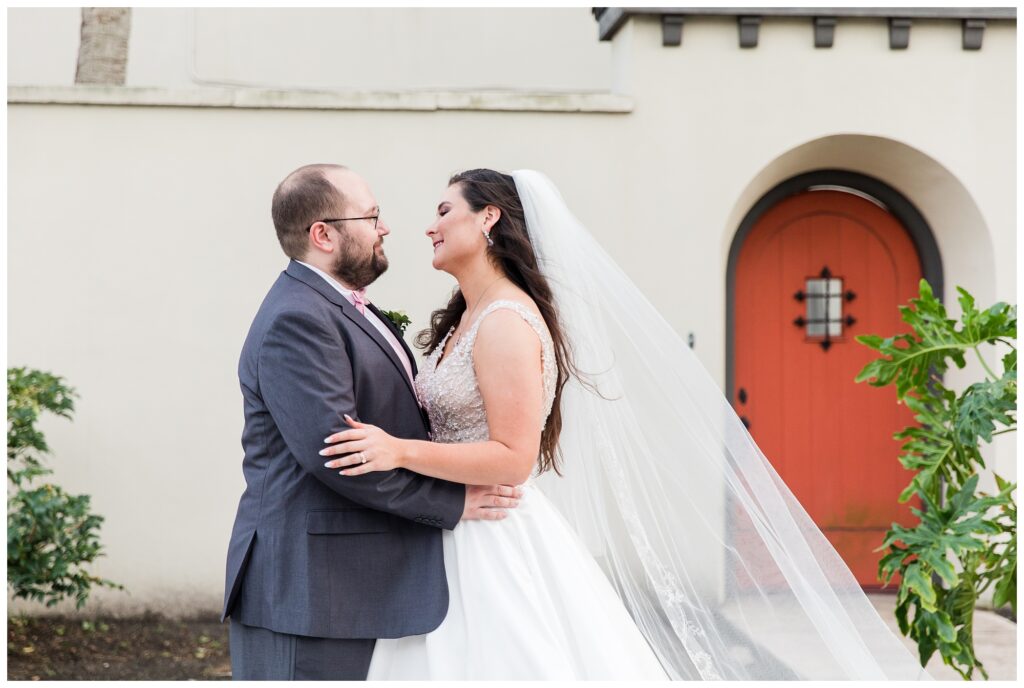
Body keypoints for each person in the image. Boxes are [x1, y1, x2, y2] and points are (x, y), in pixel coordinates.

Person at [320, 169, 931, 679]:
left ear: (487, 220)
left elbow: (512, 457)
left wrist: (396, 451)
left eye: (444, 209)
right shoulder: (466, 317)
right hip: (453, 525)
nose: (429, 224)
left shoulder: (505, 320)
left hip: (491, 537)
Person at [222, 164, 522, 681]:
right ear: (324, 234)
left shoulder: (338, 306)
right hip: (310, 590)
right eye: (372, 216)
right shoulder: (300, 318)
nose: (385, 227)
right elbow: (338, 456)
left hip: (354, 584)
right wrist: (453, 501)